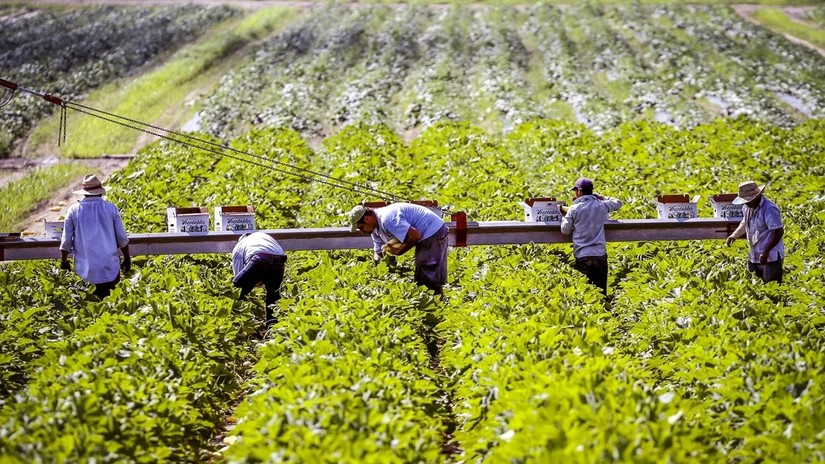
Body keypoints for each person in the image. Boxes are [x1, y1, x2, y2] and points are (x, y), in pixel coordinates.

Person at [348, 203, 449, 295]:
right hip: (424, 232)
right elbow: (378, 252)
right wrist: (377, 270)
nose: (361, 231)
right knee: (423, 273)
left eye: (361, 227)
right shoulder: (375, 229)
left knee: (427, 272)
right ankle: (434, 302)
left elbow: (415, 236)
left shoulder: (387, 219)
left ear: (367, 219)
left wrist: (400, 251)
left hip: (432, 230)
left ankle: (437, 304)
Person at [59, 174, 130, 299]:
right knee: (111, 306)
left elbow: (66, 241)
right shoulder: (110, 208)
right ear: (101, 192)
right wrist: (127, 258)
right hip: (109, 269)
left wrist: (64, 261)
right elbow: (122, 239)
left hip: (85, 272)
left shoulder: (74, 210)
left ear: (84, 193)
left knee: (87, 309)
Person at [559, 177, 623, 295]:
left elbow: (565, 230)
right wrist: (603, 197)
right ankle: (605, 311)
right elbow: (618, 203)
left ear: (579, 191)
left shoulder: (574, 209)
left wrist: (564, 216)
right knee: (601, 292)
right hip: (599, 254)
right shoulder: (601, 205)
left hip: (582, 255)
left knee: (586, 293)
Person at [725, 181, 784, 284]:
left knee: (771, 289)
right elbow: (744, 223)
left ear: (757, 196)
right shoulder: (746, 207)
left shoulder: (769, 208)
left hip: (771, 257)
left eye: (749, 200)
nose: (746, 203)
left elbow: (778, 232)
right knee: (754, 287)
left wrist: (766, 252)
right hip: (754, 255)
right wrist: (734, 235)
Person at [232, 232, 287, 328]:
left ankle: (235, 324)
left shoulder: (239, 246)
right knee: (273, 297)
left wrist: (246, 286)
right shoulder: (262, 236)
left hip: (260, 258)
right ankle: (272, 330)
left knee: (235, 291)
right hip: (279, 258)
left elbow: (238, 277)